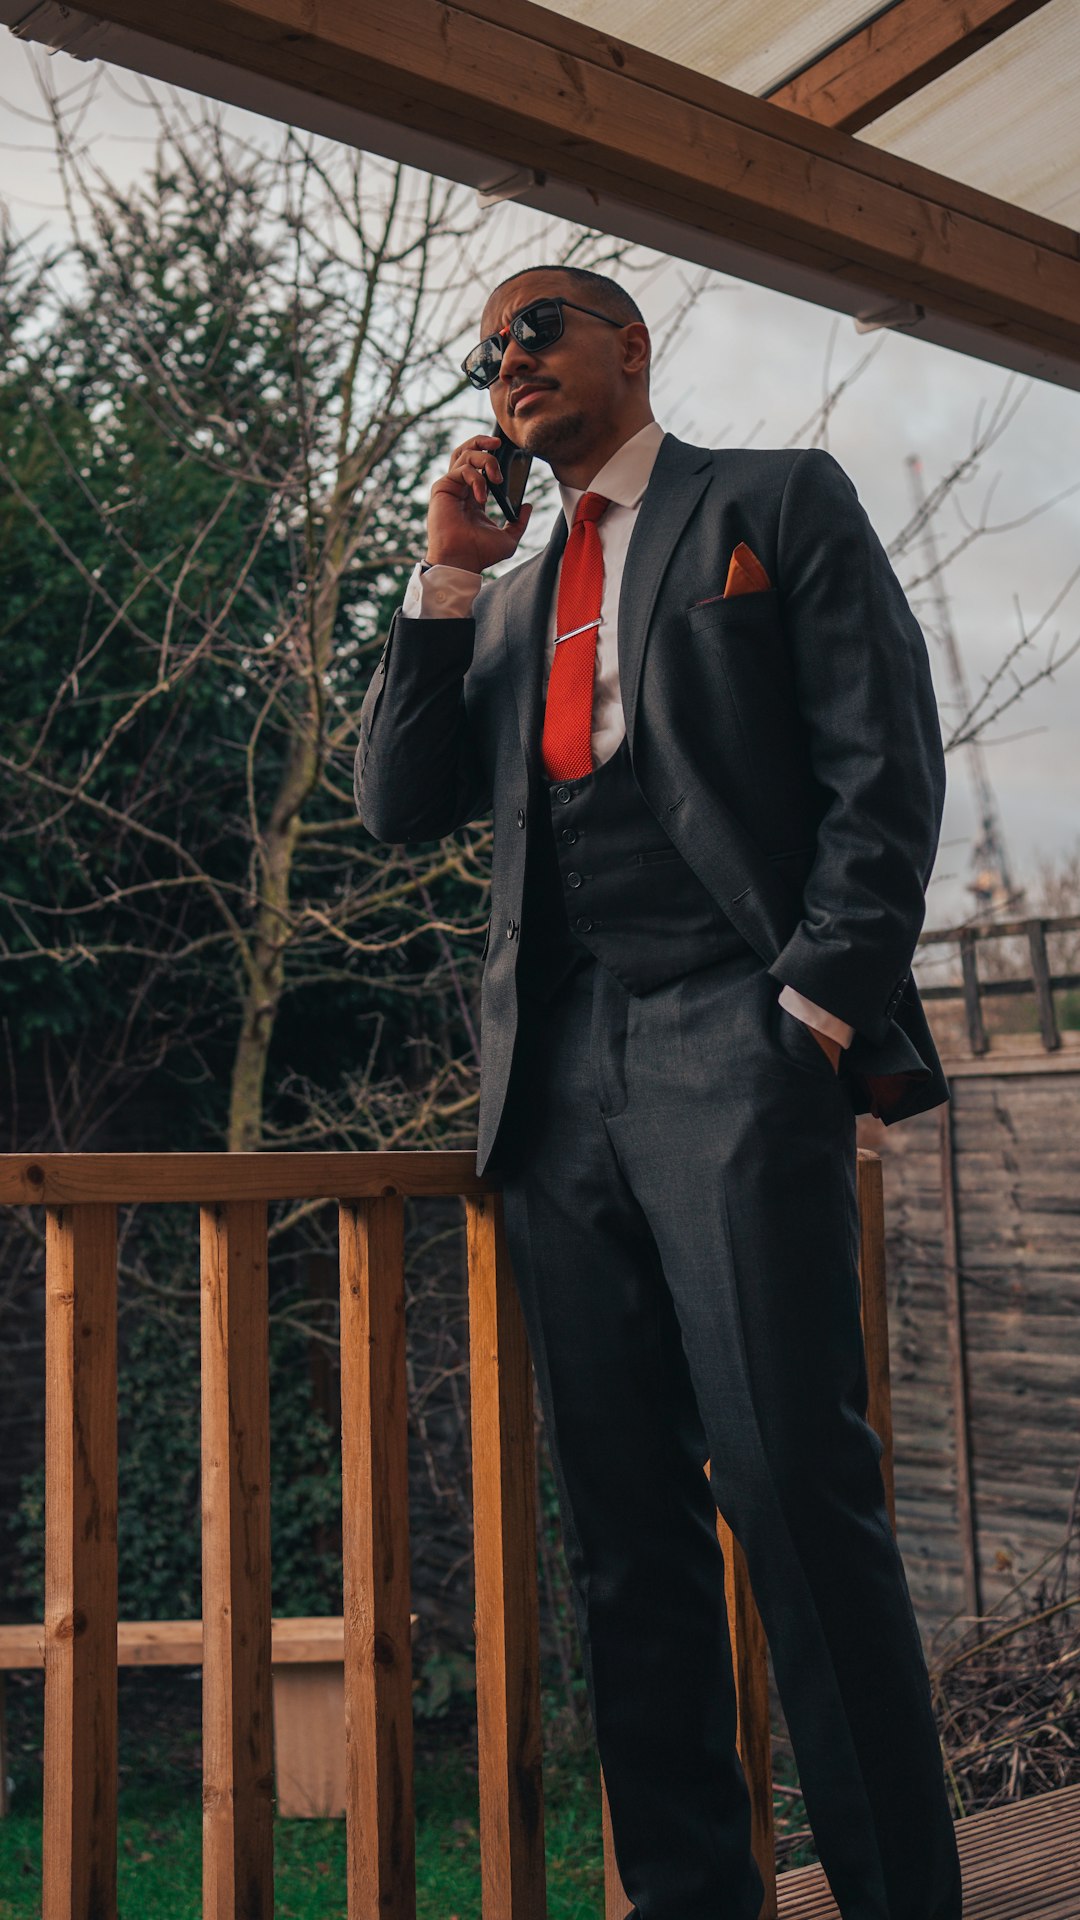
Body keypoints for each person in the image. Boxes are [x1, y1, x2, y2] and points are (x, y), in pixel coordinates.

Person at [355, 264, 962, 1920]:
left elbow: (884, 762)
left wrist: (817, 1012)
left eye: (538, 326)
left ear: (630, 343)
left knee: (792, 1488)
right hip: (557, 1085)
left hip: (737, 1038)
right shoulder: (503, 592)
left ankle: (905, 1896)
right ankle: (698, 1896)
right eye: (489, 353)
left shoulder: (770, 504)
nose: (511, 360)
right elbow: (398, 804)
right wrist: (438, 574)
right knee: (626, 1526)